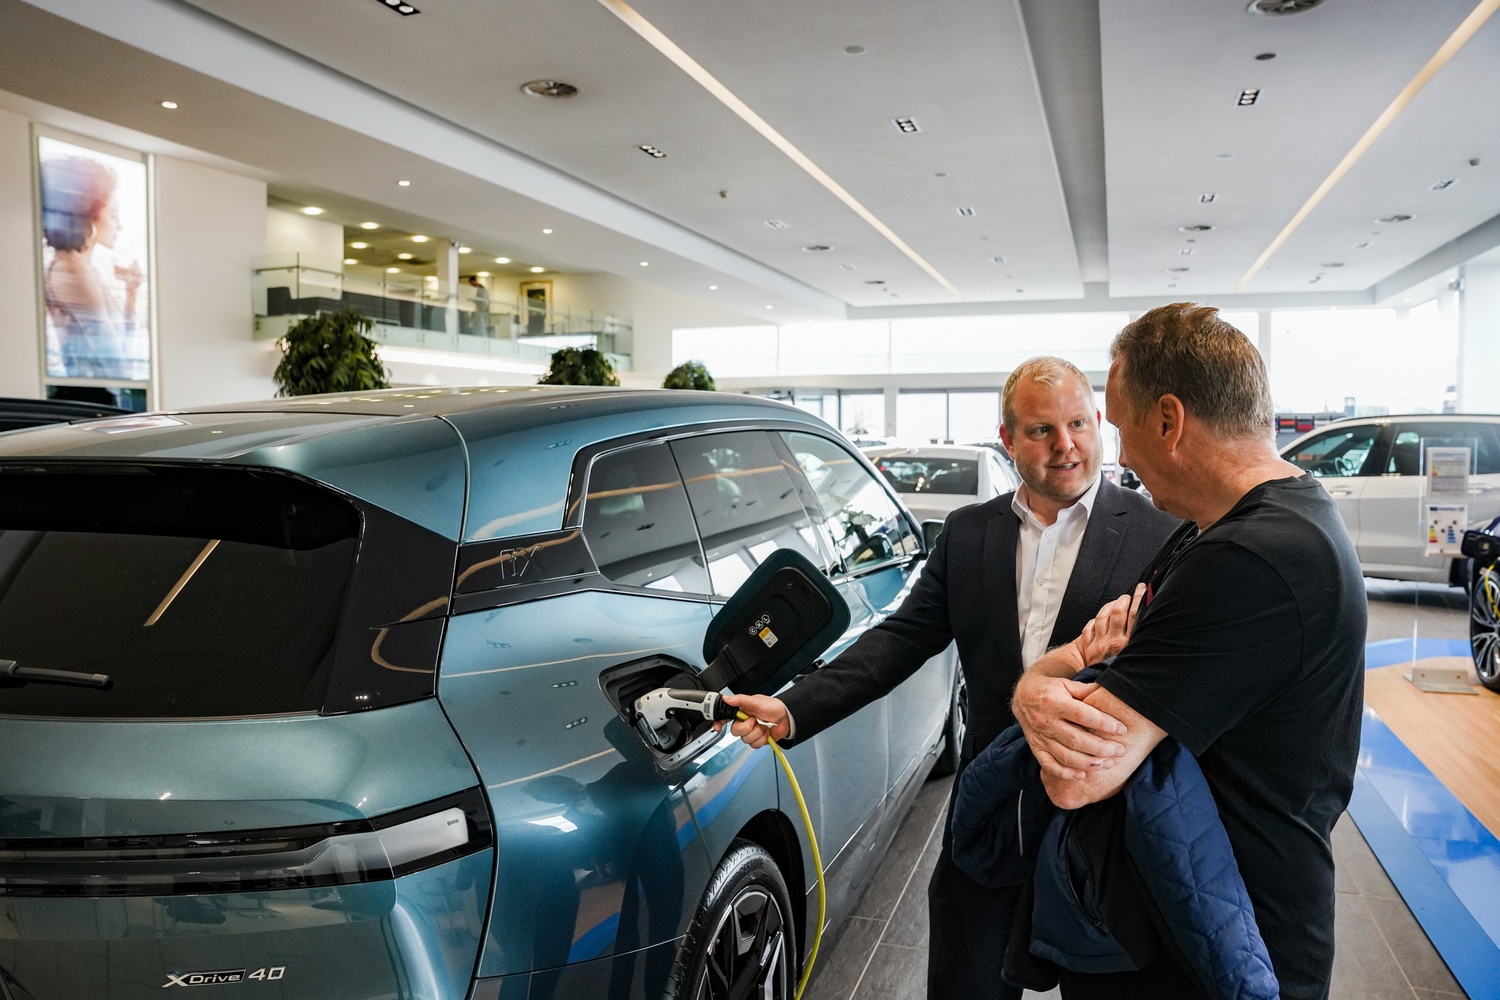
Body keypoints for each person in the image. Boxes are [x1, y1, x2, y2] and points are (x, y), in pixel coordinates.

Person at [723, 355, 1180, 1000]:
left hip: (1103, 829)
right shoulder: (969, 534)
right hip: (992, 812)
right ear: (1008, 439)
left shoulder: (1161, 536)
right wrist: (795, 707)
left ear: (1098, 420)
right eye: (1041, 430)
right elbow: (901, 639)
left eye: (1078, 423)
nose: (1066, 445)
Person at [1012, 303, 1366, 1000]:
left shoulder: (1252, 558)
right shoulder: (1226, 529)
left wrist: (1035, 683)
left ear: (1169, 421)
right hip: (1196, 915)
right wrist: (1063, 673)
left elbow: (1076, 776)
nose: (1121, 456)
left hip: (1220, 943)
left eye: (1120, 427)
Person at [39, 155, 142, 379]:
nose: (119, 226)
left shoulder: (82, 267)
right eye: (113, 215)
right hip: (93, 395)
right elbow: (117, 365)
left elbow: (121, 349)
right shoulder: (71, 271)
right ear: (89, 218)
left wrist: (131, 293)